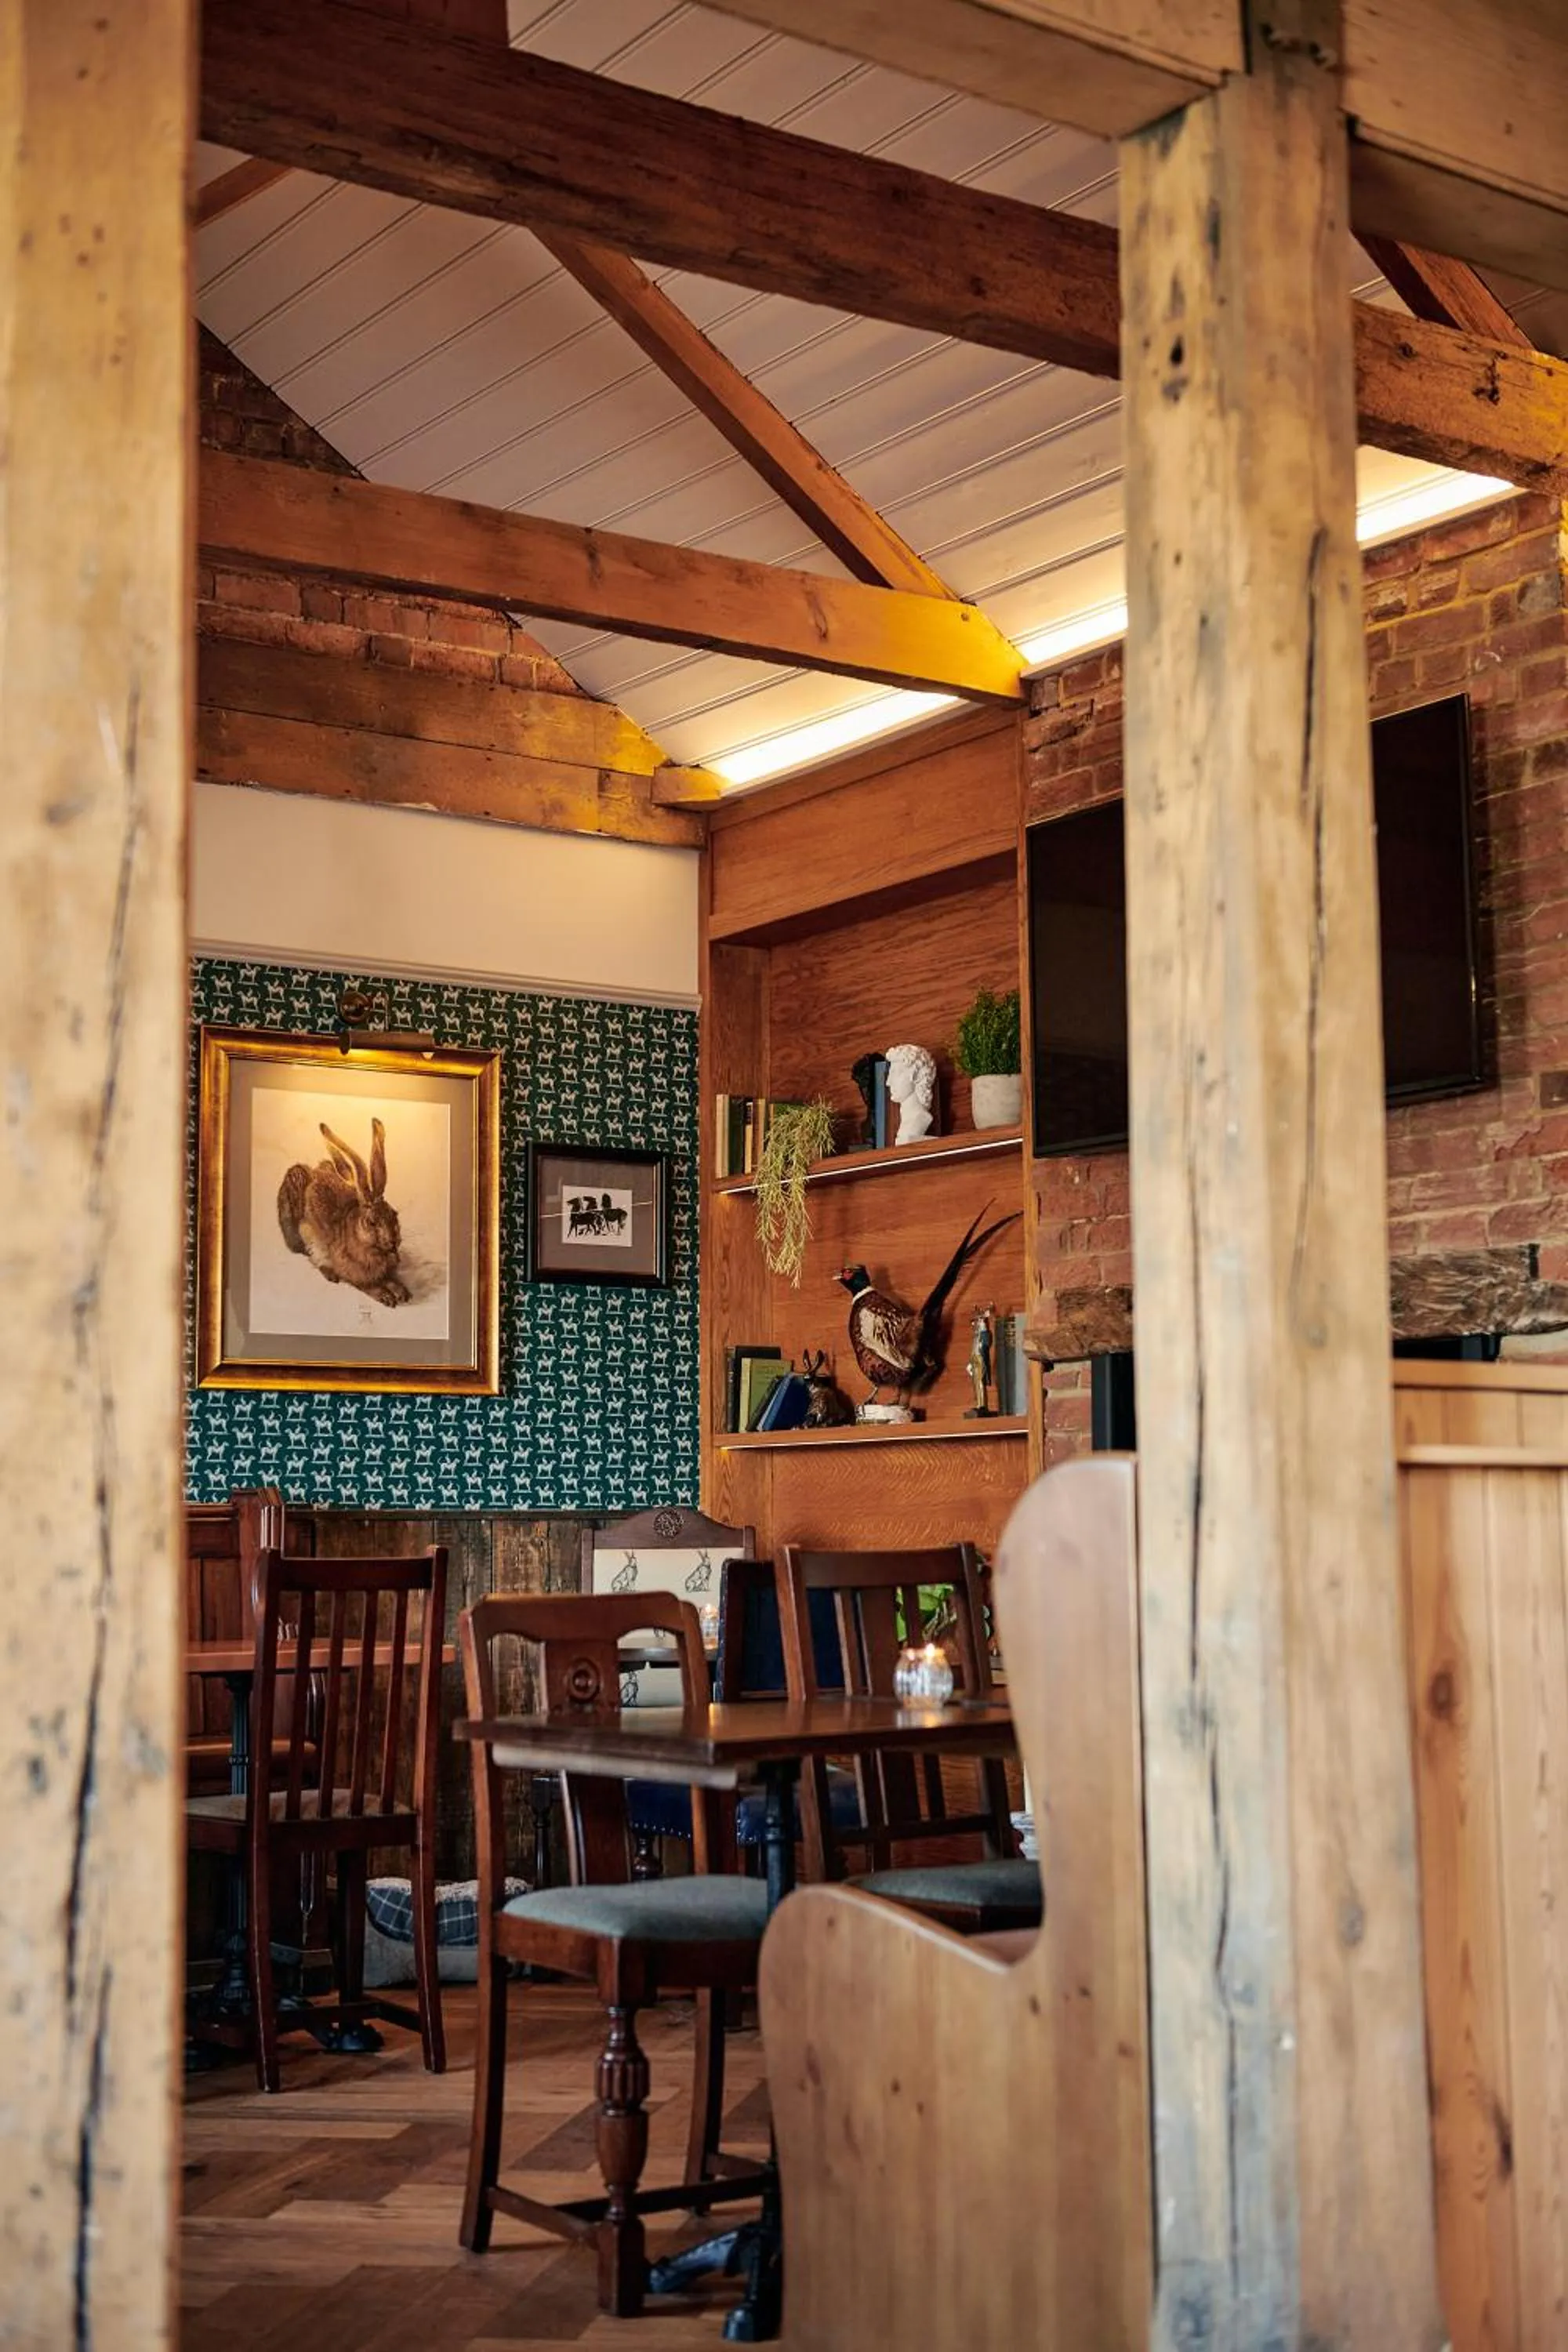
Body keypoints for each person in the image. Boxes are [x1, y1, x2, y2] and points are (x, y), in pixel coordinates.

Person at [884, 1041, 936, 1144]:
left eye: (896, 1074)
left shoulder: (921, 1118)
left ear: (916, 1076)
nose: (888, 1082)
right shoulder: (904, 1122)